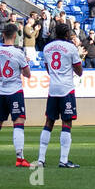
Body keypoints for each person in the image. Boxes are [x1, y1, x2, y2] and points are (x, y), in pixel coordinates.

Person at [34, 21, 81, 168]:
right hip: (66, 89)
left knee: (49, 122)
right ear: (67, 34)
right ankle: (63, 160)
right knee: (67, 122)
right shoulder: (71, 48)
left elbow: (48, 68)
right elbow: (79, 71)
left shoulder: (47, 48)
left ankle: (41, 159)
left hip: (53, 88)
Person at [0, 23, 31, 167]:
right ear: (15, 36)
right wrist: (24, 64)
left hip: (1, 90)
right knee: (18, 123)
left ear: (3, 35)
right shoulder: (18, 53)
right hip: (15, 91)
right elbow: (28, 74)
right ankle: (20, 158)